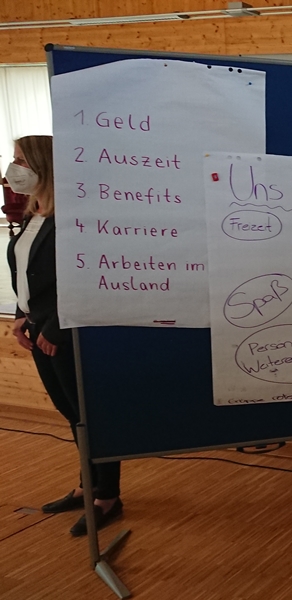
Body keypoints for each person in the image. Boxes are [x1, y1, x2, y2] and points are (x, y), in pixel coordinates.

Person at [5, 135, 123, 537]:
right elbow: (29, 274)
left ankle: (107, 496)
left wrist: (55, 326)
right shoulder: (32, 215)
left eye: (21, 160)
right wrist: (21, 315)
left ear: (45, 165)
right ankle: (87, 486)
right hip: (37, 326)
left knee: (90, 416)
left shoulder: (73, 219)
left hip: (64, 331)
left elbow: (83, 278)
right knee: (72, 415)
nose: (13, 168)